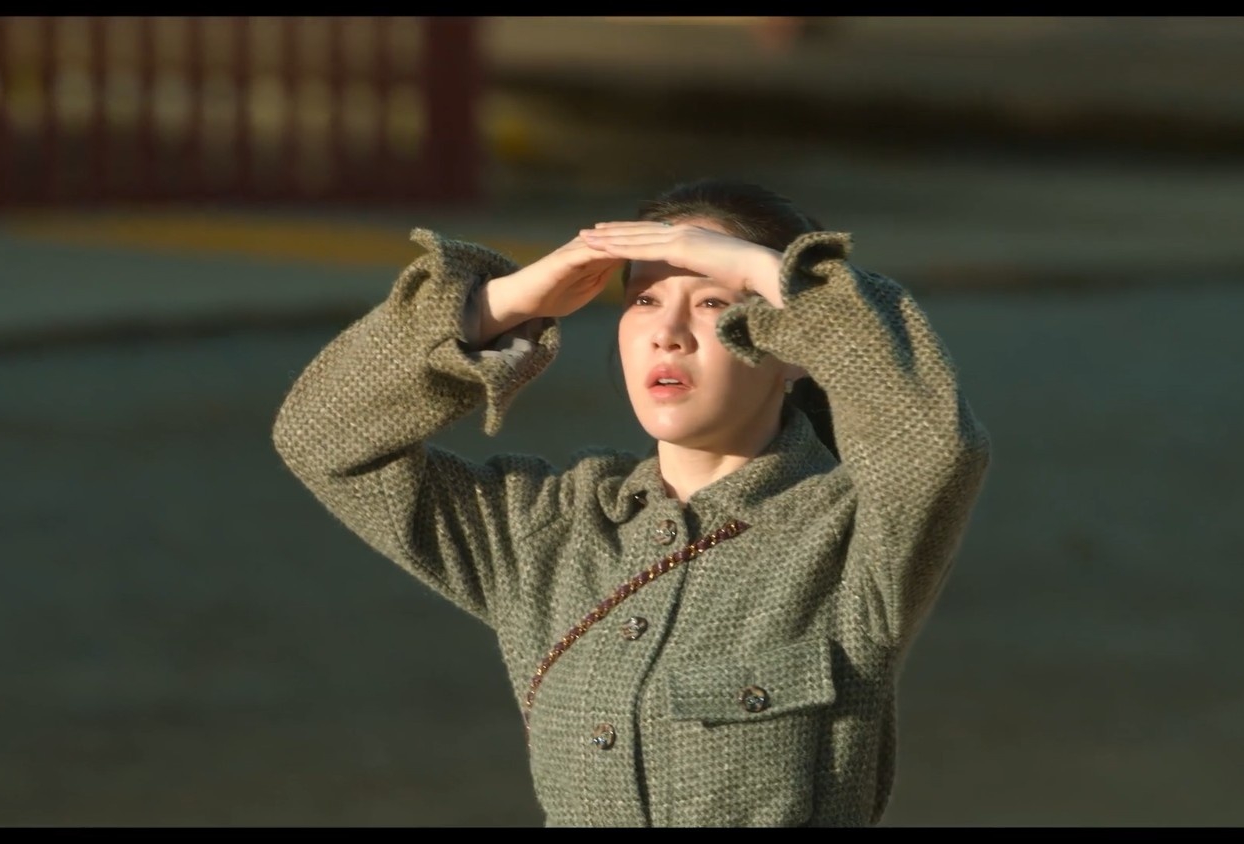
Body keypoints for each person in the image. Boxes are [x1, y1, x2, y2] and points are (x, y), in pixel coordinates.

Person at [271, 177, 991, 827]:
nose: (667, 334)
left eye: (712, 302)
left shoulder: (850, 535)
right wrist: (502, 303)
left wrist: (771, 274)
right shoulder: (549, 527)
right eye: (643, 299)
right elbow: (321, 438)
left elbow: (933, 446)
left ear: (790, 346)